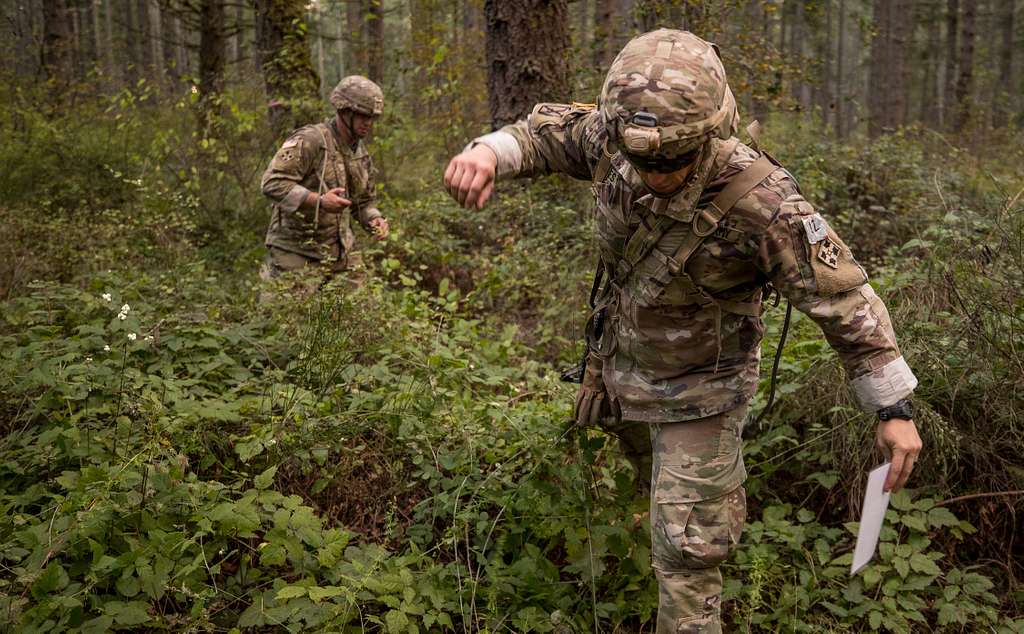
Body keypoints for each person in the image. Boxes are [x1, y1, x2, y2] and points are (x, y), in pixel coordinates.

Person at [443, 29, 922, 633]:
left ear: (711, 131)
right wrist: (486, 152)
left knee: (688, 550)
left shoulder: (764, 203)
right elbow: (539, 135)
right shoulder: (611, 138)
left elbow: (846, 301)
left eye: (674, 160)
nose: (657, 174)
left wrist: (892, 408)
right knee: (654, 505)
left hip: (703, 390)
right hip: (621, 370)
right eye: (645, 161)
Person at [259, 75, 390, 293]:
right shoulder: (311, 140)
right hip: (297, 252)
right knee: (285, 322)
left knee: (358, 318)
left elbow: (364, 202)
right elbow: (272, 183)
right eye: (363, 116)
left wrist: (375, 220)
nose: (368, 123)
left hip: (340, 254)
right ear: (344, 111)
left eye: (372, 117)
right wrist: (318, 200)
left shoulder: (360, 153)